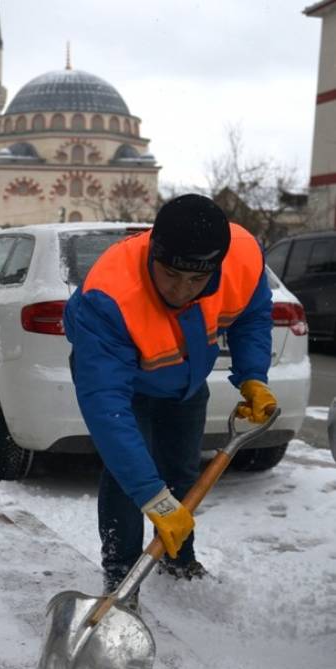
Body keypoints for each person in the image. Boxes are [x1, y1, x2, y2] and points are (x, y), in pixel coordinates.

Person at [64, 194, 277, 608]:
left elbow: (253, 315)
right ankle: (121, 578)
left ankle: (180, 558)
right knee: (132, 482)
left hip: (186, 379)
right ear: (153, 255)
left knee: (182, 470)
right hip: (126, 385)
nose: (182, 290)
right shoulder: (108, 297)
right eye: (171, 275)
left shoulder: (243, 258)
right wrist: (151, 496)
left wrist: (253, 378)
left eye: (197, 280)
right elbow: (106, 406)